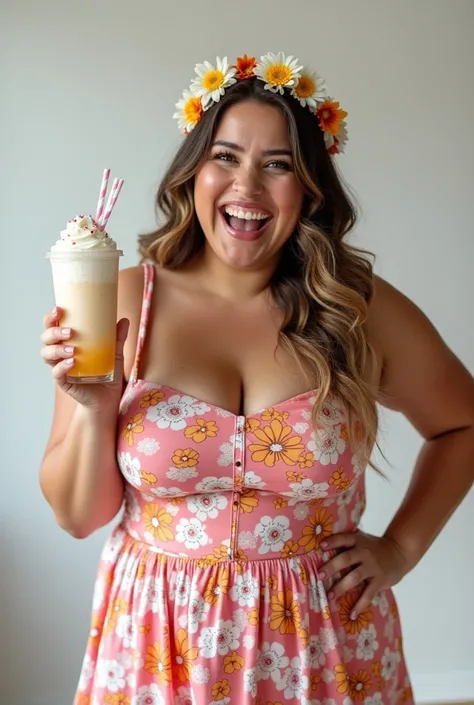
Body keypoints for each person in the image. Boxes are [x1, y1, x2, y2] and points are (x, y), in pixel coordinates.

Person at [39, 53, 474, 705]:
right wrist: (95, 406)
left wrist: (400, 550)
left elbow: (462, 422)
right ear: (192, 174)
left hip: (324, 646)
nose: (247, 187)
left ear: (310, 187)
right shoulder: (122, 300)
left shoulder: (358, 309)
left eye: (278, 165)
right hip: (161, 644)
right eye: (225, 157)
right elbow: (79, 516)